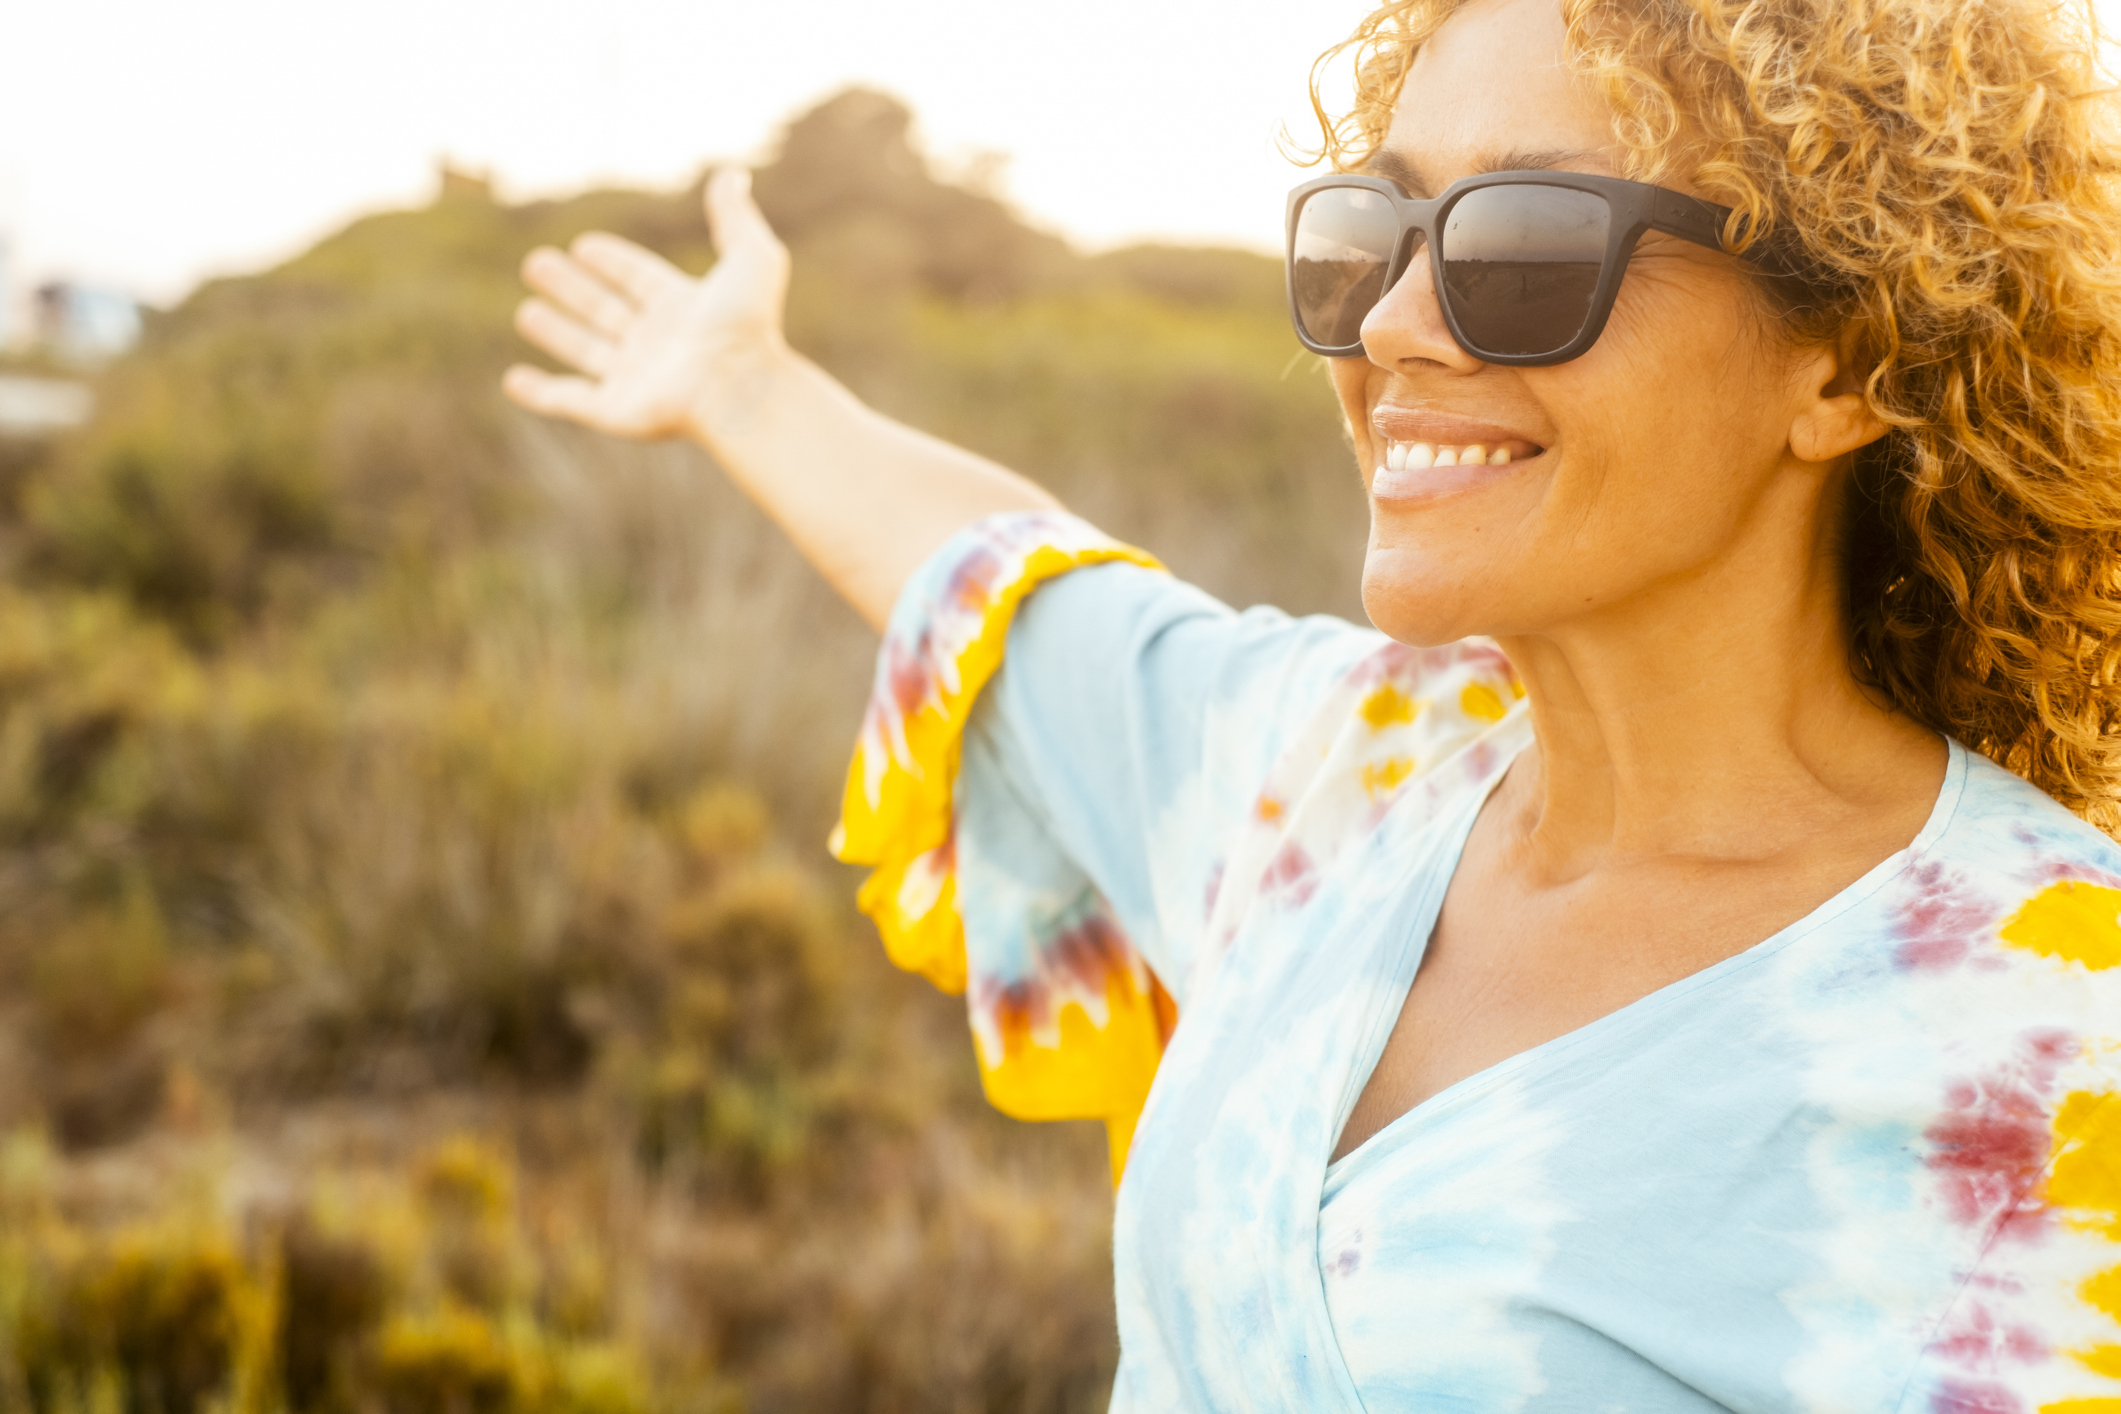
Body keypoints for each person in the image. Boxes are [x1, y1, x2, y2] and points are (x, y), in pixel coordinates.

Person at [501, 0, 2121, 1401]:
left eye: (1526, 246)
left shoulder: (2048, 1046)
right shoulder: (1341, 774)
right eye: (1373, 235)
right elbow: (1021, 588)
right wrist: (743, 386)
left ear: (1843, 363)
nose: (1397, 327)